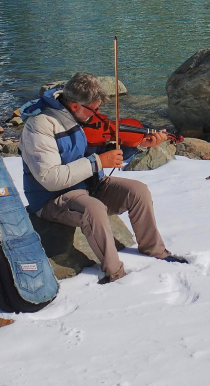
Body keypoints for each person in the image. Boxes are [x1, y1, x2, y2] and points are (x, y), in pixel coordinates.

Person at [20, 72, 186, 283]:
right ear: (74, 106)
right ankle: (115, 273)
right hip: (53, 197)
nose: (98, 115)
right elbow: (50, 178)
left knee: (138, 191)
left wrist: (141, 144)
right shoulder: (40, 126)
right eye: (94, 109)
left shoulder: (84, 120)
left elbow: (109, 150)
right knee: (94, 209)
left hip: (90, 184)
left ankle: (155, 250)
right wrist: (97, 162)